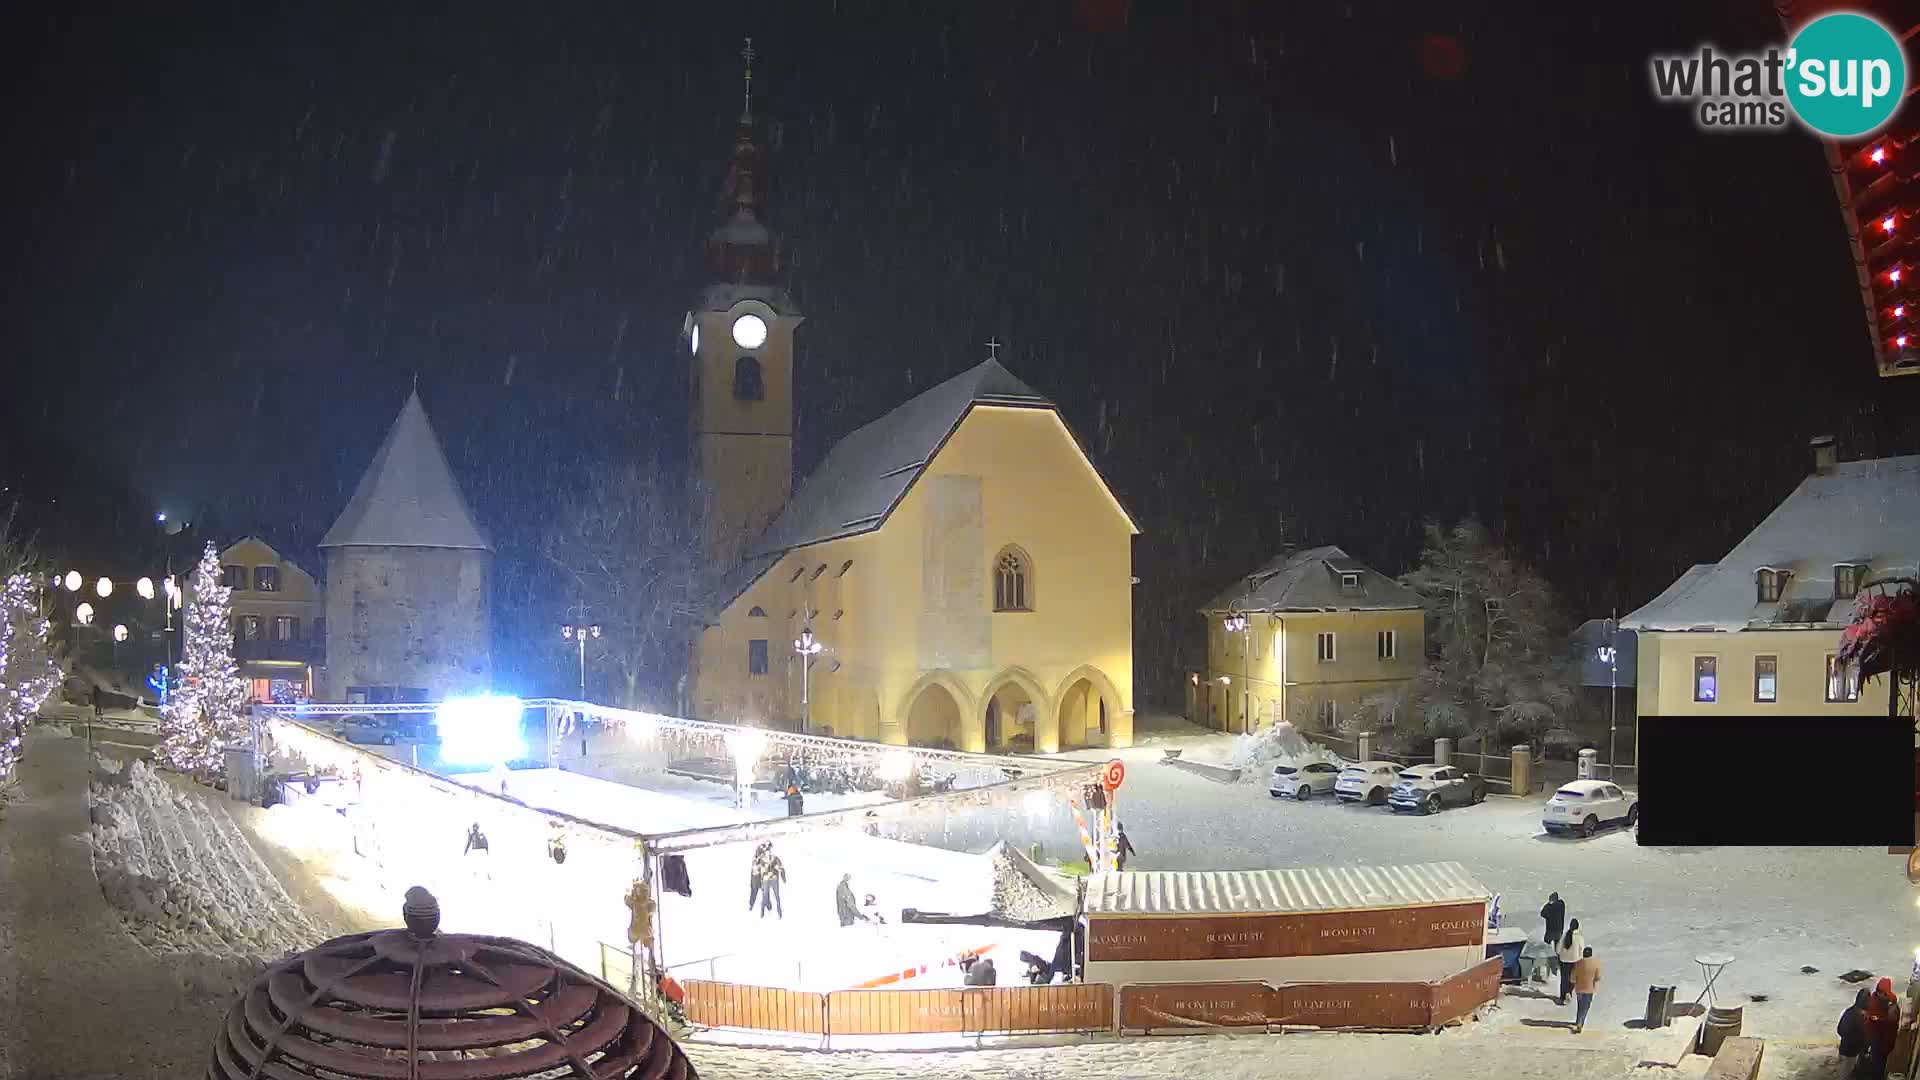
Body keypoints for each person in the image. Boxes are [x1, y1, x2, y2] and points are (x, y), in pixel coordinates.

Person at [1865, 977, 1901, 1079]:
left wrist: (1881, 1019)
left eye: (1883, 992)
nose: (1880, 994)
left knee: (1881, 1061)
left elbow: (1893, 1020)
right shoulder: (1873, 1000)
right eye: (1879, 991)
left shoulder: (1891, 1001)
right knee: (1876, 1062)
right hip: (1876, 1037)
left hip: (1886, 1039)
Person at [1838, 988, 1870, 1072]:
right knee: (1846, 1074)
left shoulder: (1848, 1011)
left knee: (1844, 1073)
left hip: (1843, 1049)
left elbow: (1839, 1030)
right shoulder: (1860, 1019)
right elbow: (1863, 1038)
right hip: (1851, 1053)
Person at [1571, 946, 1601, 1034]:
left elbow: (1572, 977)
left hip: (1579, 988)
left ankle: (1578, 1021)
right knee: (1585, 1007)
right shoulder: (1596, 963)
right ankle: (1580, 1023)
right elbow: (1598, 977)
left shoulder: (1578, 963)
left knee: (1580, 1005)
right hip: (1589, 988)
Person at [1556, 920, 1585, 1007]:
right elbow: (1582, 950)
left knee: (1564, 978)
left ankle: (1562, 996)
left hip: (1564, 960)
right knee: (1572, 979)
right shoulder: (1579, 937)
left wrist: (1562, 955)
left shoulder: (1565, 935)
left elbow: (1558, 949)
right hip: (1575, 960)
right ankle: (1568, 992)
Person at [759, 849, 787, 919]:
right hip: (766, 880)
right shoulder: (762, 859)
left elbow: (781, 867)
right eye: (766, 852)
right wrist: (763, 879)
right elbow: (761, 871)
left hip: (774, 879)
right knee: (764, 896)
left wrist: (782, 876)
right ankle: (762, 912)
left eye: (769, 852)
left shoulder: (775, 858)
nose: (768, 853)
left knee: (777, 896)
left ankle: (779, 912)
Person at [748, 842, 770, 912]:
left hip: (760, 880)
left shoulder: (760, 858)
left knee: (764, 892)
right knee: (755, 892)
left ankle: (768, 906)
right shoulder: (756, 860)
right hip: (757, 880)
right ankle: (751, 905)